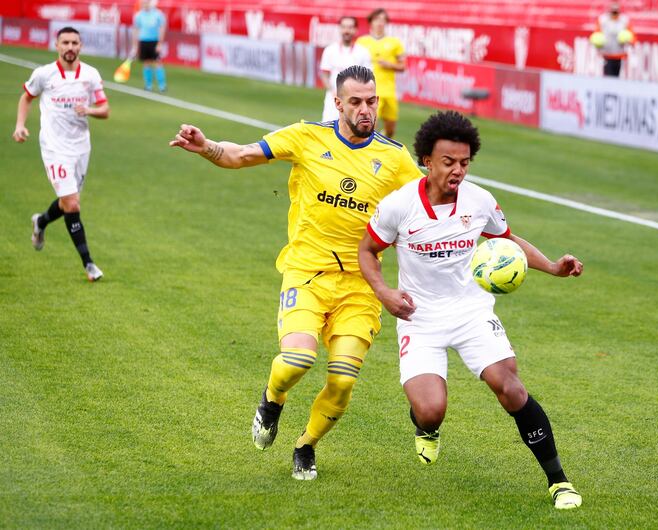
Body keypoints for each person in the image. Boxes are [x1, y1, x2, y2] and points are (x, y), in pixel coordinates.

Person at [169, 65, 422, 480]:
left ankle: (305, 445)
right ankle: (272, 399)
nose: (365, 109)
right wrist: (208, 146)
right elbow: (243, 154)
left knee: (342, 382)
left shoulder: (394, 158)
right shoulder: (307, 136)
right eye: (355, 102)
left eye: (371, 101)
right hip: (306, 273)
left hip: (360, 286)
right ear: (338, 103)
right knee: (298, 359)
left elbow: (427, 203)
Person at [358, 111, 584, 510]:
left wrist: (552, 266)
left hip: (471, 311)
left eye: (464, 162)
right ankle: (425, 428)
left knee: (510, 387)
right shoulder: (398, 206)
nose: (458, 170)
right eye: (448, 162)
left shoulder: (479, 201)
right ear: (426, 160)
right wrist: (384, 293)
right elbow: (367, 251)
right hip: (420, 318)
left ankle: (558, 481)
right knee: (430, 410)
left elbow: (507, 240)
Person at [13, 26, 109, 282]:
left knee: (69, 202)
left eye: (74, 43)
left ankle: (41, 222)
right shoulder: (44, 74)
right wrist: (20, 125)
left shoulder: (90, 74)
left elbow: (105, 109)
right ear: (57, 45)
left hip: (81, 147)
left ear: (80, 46)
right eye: (65, 42)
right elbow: (26, 97)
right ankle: (89, 264)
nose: (70, 47)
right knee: (73, 203)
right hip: (54, 147)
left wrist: (88, 110)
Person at [356, 8, 405, 138]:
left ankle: (381, 143)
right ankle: (367, 150)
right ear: (370, 22)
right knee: (371, 125)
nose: (380, 23)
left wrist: (390, 65)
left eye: (383, 20)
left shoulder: (394, 43)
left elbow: (403, 66)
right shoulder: (362, 42)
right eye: (377, 19)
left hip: (389, 91)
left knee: (390, 130)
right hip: (371, 90)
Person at [319, 16, 372, 122]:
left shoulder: (363, 52)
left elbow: (368, 78)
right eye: (343, 27)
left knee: (352, 134)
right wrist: (332, 91)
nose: (346, 31)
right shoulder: (330, 50)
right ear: (339, 29)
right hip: (333, 100)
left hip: (355, 101)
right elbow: (324, 74)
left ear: (356, 30)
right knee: (328, 130)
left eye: (350, 27)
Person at [131, 0, 167, 92]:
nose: (145, 4)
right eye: (143, 3)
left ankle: (162, 86)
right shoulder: (138, 15)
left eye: (146, 2)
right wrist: (135, 46)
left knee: (158, 62)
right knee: (146, 62)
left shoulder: (158, 14)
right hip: (143, 41)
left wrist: (160, 43)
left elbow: (162, 28)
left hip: (154, 41)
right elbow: (136, 30)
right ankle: (148, 85)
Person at [595, 1, 634, 77]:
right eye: (613, 12)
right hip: (607, 54)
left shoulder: (624, 20)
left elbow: (632, 37)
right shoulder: (603, 20)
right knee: (609, 77)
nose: (614, 14)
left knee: (617, 77)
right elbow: (597, 34)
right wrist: (598, 44)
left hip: (620, 55)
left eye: (616, 12)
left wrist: (628, 40)